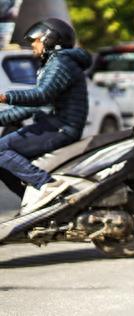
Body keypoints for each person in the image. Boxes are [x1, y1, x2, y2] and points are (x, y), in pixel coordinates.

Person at [0, 18, 92, 212]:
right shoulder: (52, 64)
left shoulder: (61, 62)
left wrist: (5, 97)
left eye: (36, 40)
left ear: (49, 39)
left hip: (62, 127)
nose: (33, 44)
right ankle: (34, 205)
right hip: (54, 123)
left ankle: (48, 185)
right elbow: (35, 107)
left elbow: (41, 96)